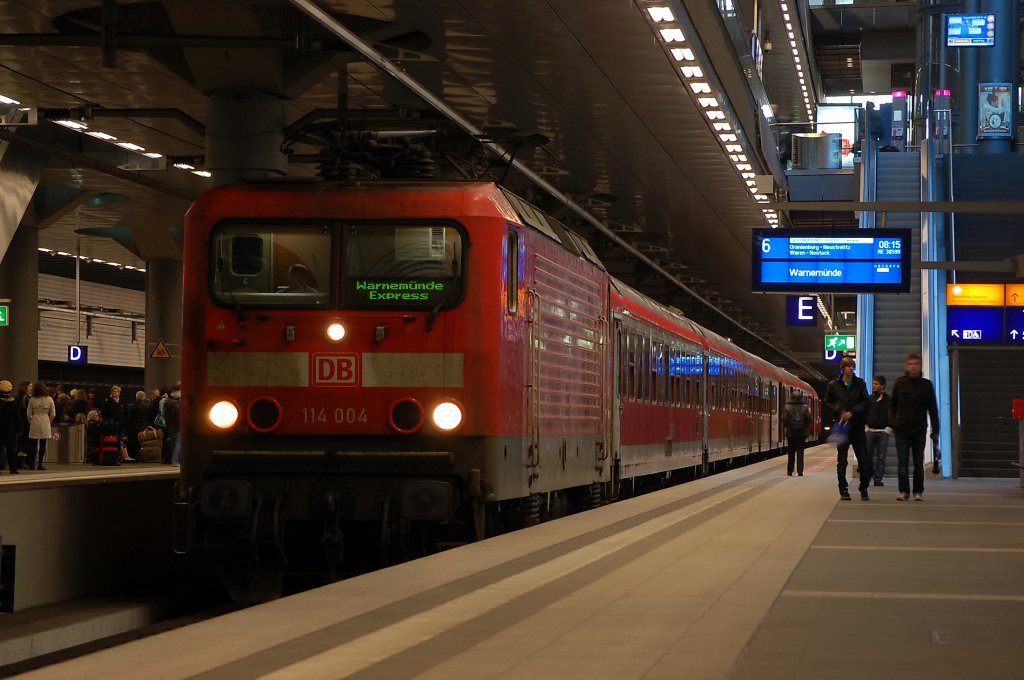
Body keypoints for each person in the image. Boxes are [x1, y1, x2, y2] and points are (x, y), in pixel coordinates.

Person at [889, 353, 939, 501]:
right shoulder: (899, 383)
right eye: (910, 364)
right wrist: (893, 423)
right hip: (901, 430)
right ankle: (904, 491)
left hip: (919, 429)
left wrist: (936, 430)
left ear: (920, 366)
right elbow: (892, 405)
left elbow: (933, 409)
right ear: (907, 366)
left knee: (918, 462)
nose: (913, 366)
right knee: (902, 461)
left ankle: (918, 491)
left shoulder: (927, 385)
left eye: (916, 364)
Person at [824, 357, 872, 500]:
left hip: (857, 425)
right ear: (843, 368)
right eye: (849, 366)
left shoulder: (860, 383)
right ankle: (843, 489)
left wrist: (853, 412)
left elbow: (866, 402)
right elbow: (826, 402)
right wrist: (839, 411)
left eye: (853, 366)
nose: (851, 368)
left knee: (864, 460)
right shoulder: (833, 385)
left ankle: (863, 488)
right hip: (842, 427)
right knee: (842, 461)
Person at [865, 375, 891, 487]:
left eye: (876, 384)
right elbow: (864, 413)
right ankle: (867, 476)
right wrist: (865, 427)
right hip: (870, 430)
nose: (873, 386)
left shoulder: (888, 400)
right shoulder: (869, 399)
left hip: (883, 432)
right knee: (867, 455)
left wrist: (888, 429)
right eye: (873, 383)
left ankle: (878, 478)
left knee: (881, 457)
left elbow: (892, 414)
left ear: (882, 386)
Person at [26, 382, 55, 470]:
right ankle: (40, 464)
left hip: (35, 420)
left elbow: (28, 413)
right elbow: (53, 413)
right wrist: (49, 421)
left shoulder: (32, 399)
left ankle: (31, 464)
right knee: (43, 444)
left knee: (33, 444)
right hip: (45, 420)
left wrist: (31, 421)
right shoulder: (49, 399)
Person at [784, 391, 812, 477]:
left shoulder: (787, 407)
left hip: (791, 433)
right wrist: (803, 426)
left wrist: (788, 427)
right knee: (800, 452)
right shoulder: (805, 407)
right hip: (801, 433)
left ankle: (790, 471)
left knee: (791, 453)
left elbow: (784, 419)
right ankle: (800, 471)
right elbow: (809, 419)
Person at [101, 385, 128, 463]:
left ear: (119, 393)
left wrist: (124, 421)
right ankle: (111, 457)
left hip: (120, 425)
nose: (114, 393)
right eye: (112, 391)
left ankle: (117, 457)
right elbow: (103, 413)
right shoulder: (108, 401)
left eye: (115, 391)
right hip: (110, 426)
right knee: (112, 441)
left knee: (118, 441)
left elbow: (127, 412)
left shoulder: (122, 402)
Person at [0, 380, 21, 474]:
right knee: (11, 450)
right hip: (10, 429)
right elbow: (17, 417)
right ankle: (13, 469)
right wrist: (19, 429)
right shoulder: (13, 402)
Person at [127, 390, 152, 461]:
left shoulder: (133, 406)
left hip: (135, 428)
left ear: (137, 397)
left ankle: (136, 456)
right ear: (144, 397)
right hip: (146, 428)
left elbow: (129, 418)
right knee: (144, 443)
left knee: (135, 443)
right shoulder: (149, 406)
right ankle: (145, 456)